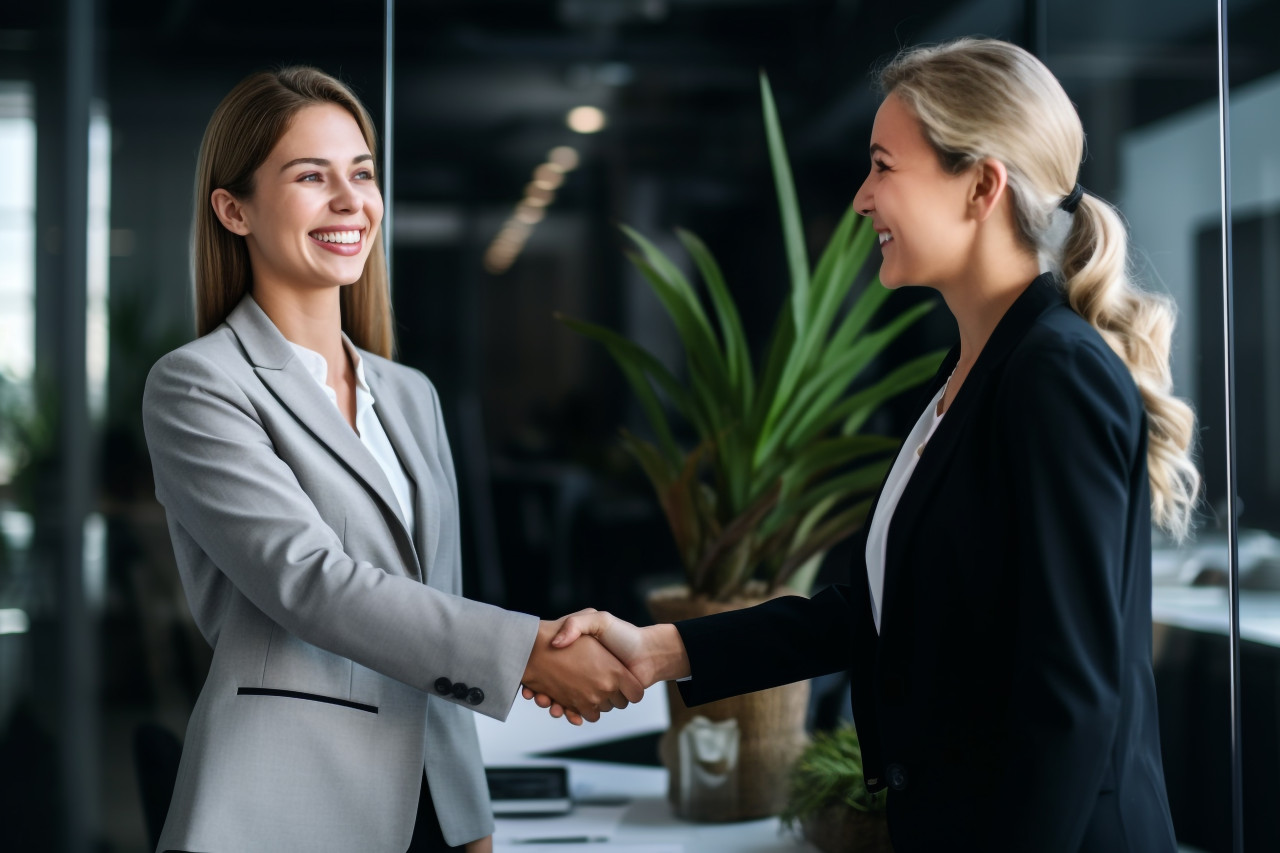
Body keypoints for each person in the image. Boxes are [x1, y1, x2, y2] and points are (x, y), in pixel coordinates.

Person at [532, 38, 1200, 853]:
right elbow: (879, 611)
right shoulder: (970, 369)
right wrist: (657, 650)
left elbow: (1071, 701)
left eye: (884, 166)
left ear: (982, 185)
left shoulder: (1051, 374)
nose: (860, 198)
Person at [141, 67, 642, 853]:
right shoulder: (198, 384)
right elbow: (309, 583)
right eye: (311, 176)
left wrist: (468, 816)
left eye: (362, 174)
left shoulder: (410, 396)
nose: (350, 201)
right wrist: (526, 656)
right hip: (280, 810)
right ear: (233, 209)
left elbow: (432, 611)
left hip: (428, 811)